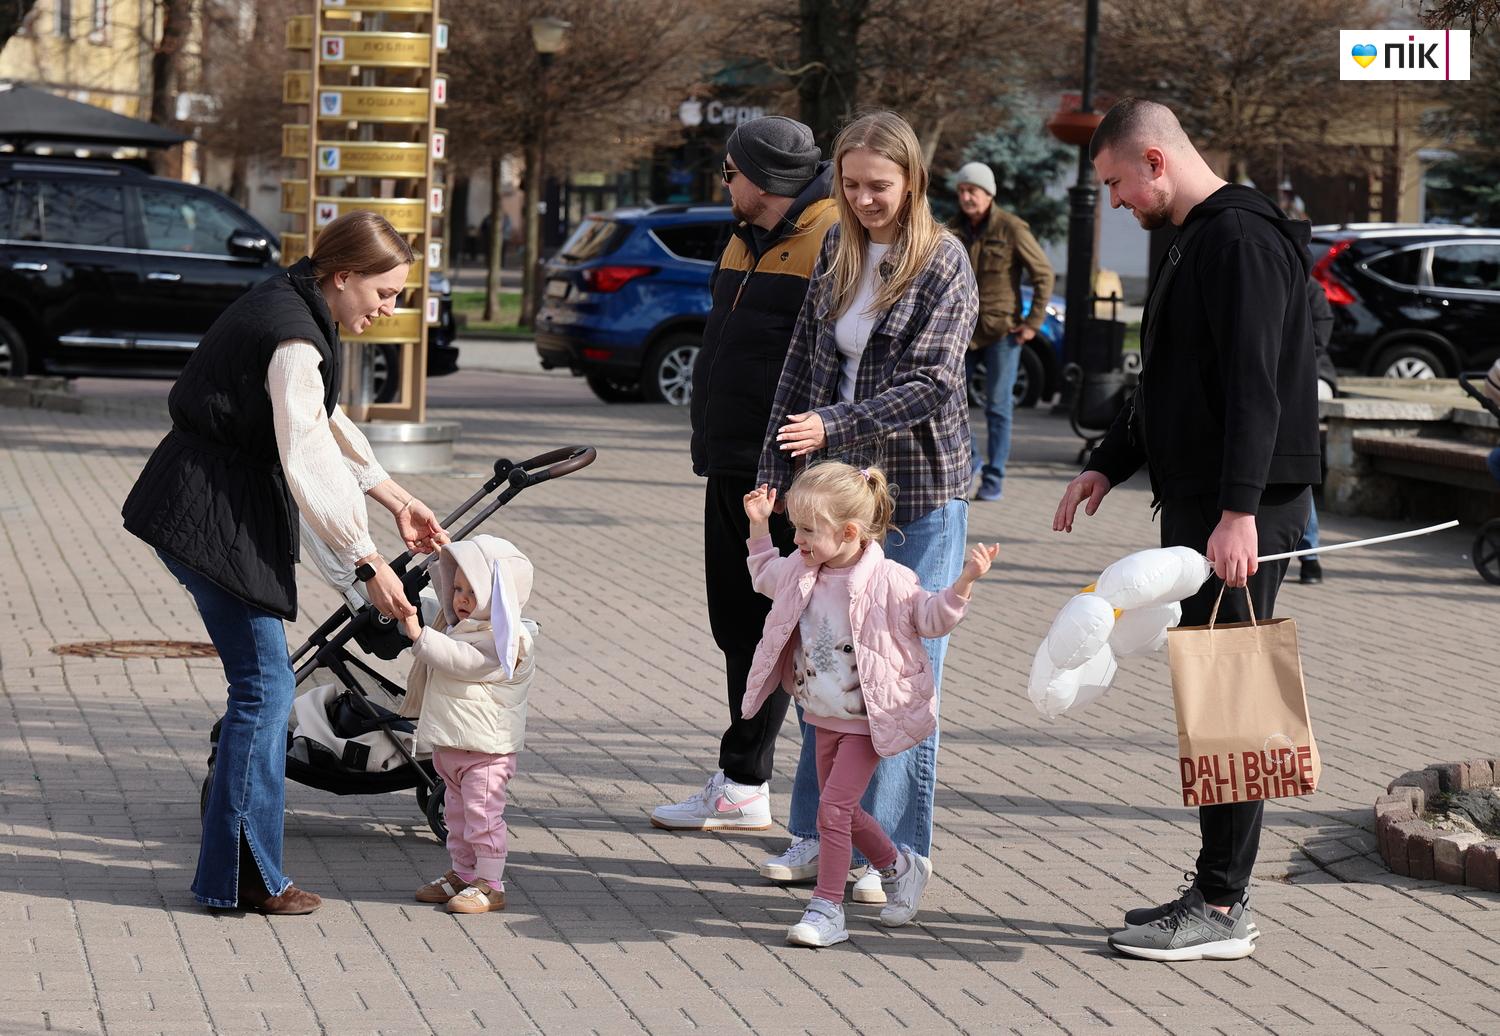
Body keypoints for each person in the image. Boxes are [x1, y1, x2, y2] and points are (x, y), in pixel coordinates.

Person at [1052, 98, 1320, 961]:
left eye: (1116, 183)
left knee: (1232, 698)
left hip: (1242, 511)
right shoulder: (1194, 236)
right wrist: (1109, 461)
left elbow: (1254, 385)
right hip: (1212, 506)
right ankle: (1213, 890)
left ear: (1156, 161)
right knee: (1210, 696)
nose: (1115, 201)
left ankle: (1223, 906)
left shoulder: (1239, 240)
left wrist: (1240, 510)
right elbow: (1168, 379)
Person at [122, 212, 449, 915]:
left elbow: (324, 421)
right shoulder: (295, 335)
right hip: (209, 512)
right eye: (385, 293)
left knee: (263, 688)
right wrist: (367, 563)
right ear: (344, 276)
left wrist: (396, 498)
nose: (390, 308)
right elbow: (306, 454)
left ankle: (237, 874)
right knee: (266, 690)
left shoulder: (295, 303)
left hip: (205, 503)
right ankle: (244, 876)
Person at [755, 110, 979, 901]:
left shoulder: (945, 261)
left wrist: (835, 425)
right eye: (850, 185)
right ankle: (819, 837)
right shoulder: (838, 250)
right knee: (825, 658)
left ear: (912, 180)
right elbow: (800, 365)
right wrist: (775, 473)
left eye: (878, 185)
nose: (863, 199)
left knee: (897, 675)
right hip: (835, 492)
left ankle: (895, 855)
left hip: (918, 492)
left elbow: (932, 383)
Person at [652, 117, 837, 833]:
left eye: (729, 173)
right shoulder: (743, 235)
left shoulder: (831, 235)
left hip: (785, 469)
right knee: (737, 623)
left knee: (777, 626)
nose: (723, 184)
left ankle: (753, 783)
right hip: (731, 459)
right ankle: (743, 782)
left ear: (763, 178)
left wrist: (804, 470)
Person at [740, 464, 996, 947]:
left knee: (833, 810)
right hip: (822, 711)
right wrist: (758, 526)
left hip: (867, 716)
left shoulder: (891, 579)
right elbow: (764, 576)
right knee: (845, 810)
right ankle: (900, 868)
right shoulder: (801, 569)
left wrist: (964, 582)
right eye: (795, 528)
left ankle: (827, 909)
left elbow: (931, 618)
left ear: (849, 532)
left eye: (808, 530)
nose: (797, 539)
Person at [399, 536, 537, 915]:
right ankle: (463, 873)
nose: (460, 599)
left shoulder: (509, 641)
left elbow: (463, 661)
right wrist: (443, 556)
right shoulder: (466, 626)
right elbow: (444, 604)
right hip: (455, 747)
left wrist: (418, 634)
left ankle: (491, 883)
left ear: (498, 594)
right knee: (457, 818)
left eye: (472, 591)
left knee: (482, 817)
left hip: (485, 752)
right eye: (457, 588)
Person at [949, 161, 1056, 501]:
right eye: (962, 191)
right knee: (949, 403)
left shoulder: (1011, 228)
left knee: (998, 407)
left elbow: (1043, 274)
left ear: (988, 193)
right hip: (962, 332)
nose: (966, 197)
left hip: (1002, 333)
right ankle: (971, 460)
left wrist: (1032, 324)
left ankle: (993, 477)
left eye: (973, 191)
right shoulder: (953, 229)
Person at [1298, 280, 1338, 585]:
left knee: (1293, 468)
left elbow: (1317, 341)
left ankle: (1310, 555)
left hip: (1307, 377)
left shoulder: (1310, 288)